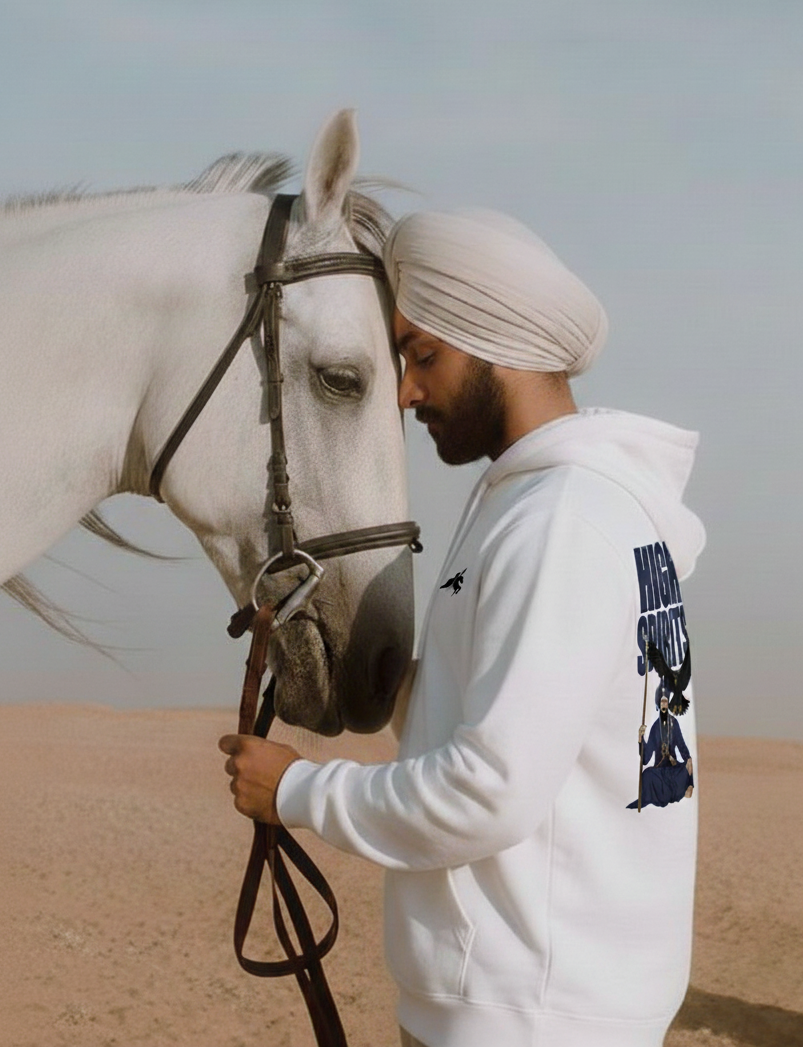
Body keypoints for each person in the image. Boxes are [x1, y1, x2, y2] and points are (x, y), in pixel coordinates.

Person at [220, 208, 706, 1047]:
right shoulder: (578, 509)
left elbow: (488, 790)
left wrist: (295, 790)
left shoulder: (557, 521)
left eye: (422, 355)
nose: (406, 392)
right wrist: (376, 680)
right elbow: (537, 718)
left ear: (496, 343)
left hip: (528, 1012)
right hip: (552, 996)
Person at [629, 685, 694, 810]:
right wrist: (641, 739)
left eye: (665, 701)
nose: (664, 704)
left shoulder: (674, 723)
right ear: (659, 704)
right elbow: (646, 758)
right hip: (660, 770)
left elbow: (681, 745)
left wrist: (688, 760)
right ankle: (672, 792)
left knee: (687, 766)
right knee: (647, 774)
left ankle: (684, 789)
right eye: (662, 701)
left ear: (668, 703)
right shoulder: (655, 727)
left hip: (672, 769)